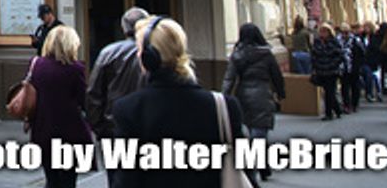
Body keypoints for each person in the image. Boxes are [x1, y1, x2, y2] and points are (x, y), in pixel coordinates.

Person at [111, 17, 244, 188]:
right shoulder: (224, 106)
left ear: (147, 58)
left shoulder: (128, 109)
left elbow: (126, 180)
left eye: (138, 49)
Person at [30, 25, 94, 188]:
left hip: (43, 128)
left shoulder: (37, 65)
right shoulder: (75, 69)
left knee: (51, 179)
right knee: (68, 179)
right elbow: (83, 100)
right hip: (69, 132)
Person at [222, 23, 285, 183]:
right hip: (263, 94)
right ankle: (259, 169)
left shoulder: (237, 55)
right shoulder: (267, 54)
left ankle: (258, 167)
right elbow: (276, 76)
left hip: (243, 95)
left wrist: (224, 98)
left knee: (250, 131)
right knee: (260, 133)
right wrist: (281, 93)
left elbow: (229, 79)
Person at [86, 7, 150, 156]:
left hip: (114, 127)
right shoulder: (157, 51)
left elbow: (93, 94)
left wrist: (100, 130)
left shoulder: (108, 53)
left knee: (117, 177)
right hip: (148, 127)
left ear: (123, 27)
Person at [311, 23, 345, 120]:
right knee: (328, 92)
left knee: (329, 92)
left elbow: (340, 56)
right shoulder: (317, 42)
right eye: (321, 31)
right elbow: (313, 55)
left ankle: (328, 113)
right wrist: (316, 66)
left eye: (325, 31)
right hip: (321, 71)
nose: (323, 33)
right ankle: (337, 110)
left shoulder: (334, 42)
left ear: (329, 32)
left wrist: (332, 64)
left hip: (332, 71)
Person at [338, 23, 366, 113]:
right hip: (343, 67)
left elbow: (362, 53)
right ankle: (346, 104)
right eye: (343, 32)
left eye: (346, 32)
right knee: (344, 87)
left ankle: (354, 104)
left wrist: (359, 64)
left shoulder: (355, 40)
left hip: (354, 67)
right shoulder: (337, 40)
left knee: (355, 86)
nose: (344, 35)